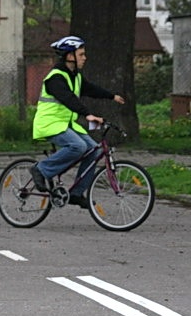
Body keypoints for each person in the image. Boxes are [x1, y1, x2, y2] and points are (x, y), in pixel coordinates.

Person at [29, 35, 125, 208]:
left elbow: (90, 89)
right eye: (81, 54)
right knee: (78, 147)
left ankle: (76, 193)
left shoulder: (76, 76)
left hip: (66, 124)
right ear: (70, 56)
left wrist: (111, 96)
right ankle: (41, 169)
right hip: (50, 123)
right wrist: (87, 114)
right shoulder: (55, 78)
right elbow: (68, 98)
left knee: (93, 150)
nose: (85, 58)